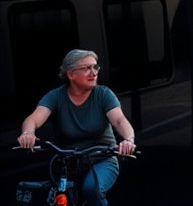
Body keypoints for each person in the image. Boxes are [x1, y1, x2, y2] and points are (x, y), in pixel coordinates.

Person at [16, 49, 137, 206]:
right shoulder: (56, 96)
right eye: (86, 68)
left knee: (91, 188)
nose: (93, 73)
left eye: (95, 67)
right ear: (71, 74)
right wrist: (28, 133)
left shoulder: (103, 94)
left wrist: (128, 140)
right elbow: (33, 119)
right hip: (68, 162)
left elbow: (120, 120)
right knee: (57, 195)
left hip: (101, 159)